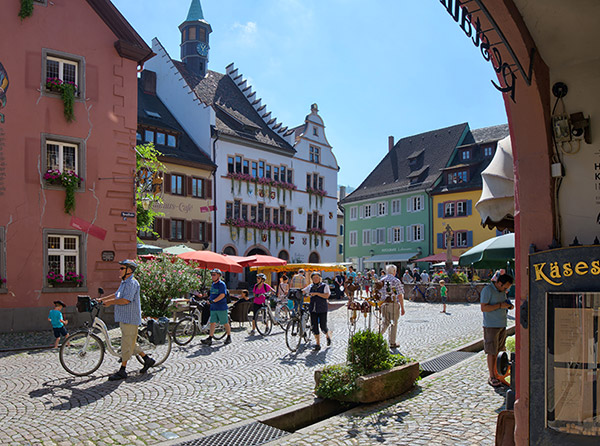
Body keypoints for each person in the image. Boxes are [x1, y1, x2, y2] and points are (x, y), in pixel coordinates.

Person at [99, 260, 155, 381]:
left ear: (129, 270)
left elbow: (126, 300)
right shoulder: (124, 282)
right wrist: (102, 299)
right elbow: (117, 295)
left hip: (130, 318)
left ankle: (122, 370)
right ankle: (147, 360)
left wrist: (109, 303)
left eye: (122, 268)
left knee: (126, 343)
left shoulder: (132, 283)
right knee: (131, 342)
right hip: (124, 317)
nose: (119, 270)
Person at [480, 273, 514, 387]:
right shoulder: (487, 290)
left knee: (500, 350)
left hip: (502, 324)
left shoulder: (501, 291)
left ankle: (498, 374)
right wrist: (500, 305)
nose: (506, 290)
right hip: (491, 325)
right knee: (491, 351)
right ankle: (492, 376)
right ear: (499, 283)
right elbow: (484, 307)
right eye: (505, 287)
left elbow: (504, 303)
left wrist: (508, 306)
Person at [201, 269, 232, 346]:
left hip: (221, 307)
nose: (212, 276)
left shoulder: (222, 284)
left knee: (225, 323)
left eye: (214, 274)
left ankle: (229, 336)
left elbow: (222, 295)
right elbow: (212, 294)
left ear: (219, 275)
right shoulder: (213, 284)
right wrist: (209, 300)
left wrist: (213, 300)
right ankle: (210, 338)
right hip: (213, 307)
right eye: (212, 274)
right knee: (212, 323)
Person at [302, 272, 332, 351]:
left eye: (317, 277)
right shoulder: (310, 286)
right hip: (313, 309)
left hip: (322, 309)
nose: (315, 279)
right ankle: (318, 344)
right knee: (314, 327)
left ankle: (327, 336)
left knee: (323, 327)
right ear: (312, 279)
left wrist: (316, 294)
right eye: (314, 278)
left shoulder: (324, 286)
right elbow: (303, 291)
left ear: (320, 278)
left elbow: (327, 295)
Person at [378, 264, 405, 349]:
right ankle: (392, 342)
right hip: (393, 304)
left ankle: (376, 337)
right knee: (394, 323)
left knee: (385, 322)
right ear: (394, 271)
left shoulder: (381, 280)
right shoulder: (396, 280)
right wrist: (402, 307)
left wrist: (379, 305)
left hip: (383, 304)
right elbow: (400, 295)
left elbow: (378, 294)